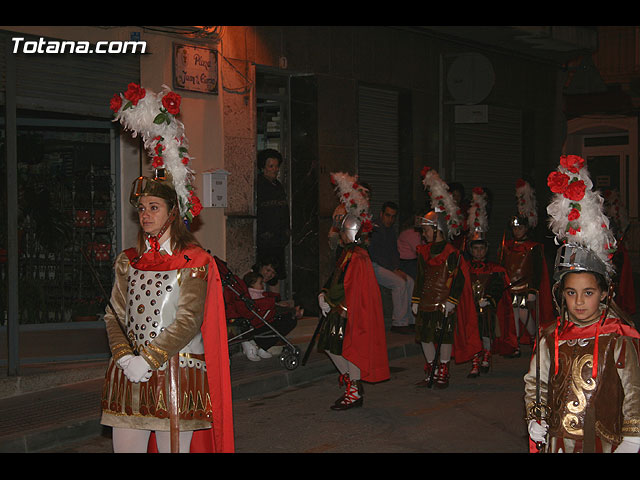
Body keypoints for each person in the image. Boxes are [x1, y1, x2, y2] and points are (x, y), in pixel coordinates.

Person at [102, 84, 233, 453]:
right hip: (128, 373)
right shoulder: (128, 260)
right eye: (141, 208)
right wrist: (126, 357)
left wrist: (149, 359)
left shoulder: (195, 261)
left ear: (172, 212)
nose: (145, 214)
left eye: (154, 207)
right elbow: (114, 314)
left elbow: (189, 319)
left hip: (177, 374)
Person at [524, 154, 640, 453]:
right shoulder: (551, 335)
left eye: (588, 293)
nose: (578, 301)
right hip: (558, 440)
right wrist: (535, 418)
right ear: (560, 294)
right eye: (571, 292)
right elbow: (537, 383)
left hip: (603, 442)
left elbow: (634, 391)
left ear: (604, 293)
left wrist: (633, 435)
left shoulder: (618, 336)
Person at [317, 172, 389, 410]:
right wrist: (324, 293)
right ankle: (353, 386)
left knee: (349, 349)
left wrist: (329, 298)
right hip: (340, 307)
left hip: (348, 310)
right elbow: (337, 277)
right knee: (332, 346)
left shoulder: (358, 256)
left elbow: (348, 286)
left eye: (342, 227)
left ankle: (354, 389)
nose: (338, 229)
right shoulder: (349, 253)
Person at [412, 166, 481, 389]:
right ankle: (431, 367)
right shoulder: (423, 252)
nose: (424, 234)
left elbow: (458, 278)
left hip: (443, 302)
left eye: (427, 230)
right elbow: (421, 277)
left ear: (438, 229)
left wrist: (452, 301)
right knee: (424, 335)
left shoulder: (452, 253)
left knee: (445, 336)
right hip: (426, 300)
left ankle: (443, 369)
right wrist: (415, 300)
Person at [498, 179, 554, 357]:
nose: (517, 231)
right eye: (515, 229)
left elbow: (538, 270)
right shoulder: (507, 246)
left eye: (520, 228)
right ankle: (514, 343)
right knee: (513, 314)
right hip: (510, 287)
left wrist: (533, 289)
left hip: (525, 287)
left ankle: (534, 336)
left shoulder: (533, 246)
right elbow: (502, 266)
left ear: (526, 228)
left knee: (522, 312)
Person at [465, 187, 517, 378]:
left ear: (486, 249)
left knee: (486, 334)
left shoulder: (494, 269)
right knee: (472, 335)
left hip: (487, 308)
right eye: (475, 249)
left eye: (481, 249)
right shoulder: (466, 268)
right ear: (471, 250)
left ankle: (486, 356)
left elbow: (497, 286)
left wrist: (489, 298)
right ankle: (475, 362)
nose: (478, 252)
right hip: (470, 308)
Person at [230, 271, 299, 362]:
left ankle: (262, 346)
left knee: (284, 316)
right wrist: (273, 302)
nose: (263, 285)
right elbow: (259, 304)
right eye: (260, 283)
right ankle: (294, 311)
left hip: (264, 315)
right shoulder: (252, 294)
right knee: (284, 315)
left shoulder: (258, 293)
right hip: (261, 318)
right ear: (252, 284)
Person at [368, 201, 415, 334]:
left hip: (389, 266)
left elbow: (395, 252)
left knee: (410, 282)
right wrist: (393, 269)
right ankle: (399, 323)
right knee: (399, 283)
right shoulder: (375, 228)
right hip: (375, 265)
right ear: (382, 214)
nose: (390, 219)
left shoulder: (391, 231)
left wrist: (396, 268)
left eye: (393, 216)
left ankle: (411, 320)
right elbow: (375, 255)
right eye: (388, 215)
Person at [256, 148, 290, 284]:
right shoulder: (259, 185)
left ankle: (275, 300)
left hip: (279, 238)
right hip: (266, 238)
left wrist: (286, 231)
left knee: (277, 271)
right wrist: (265, 233)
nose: (275, 170)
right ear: (263, 167)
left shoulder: (279, 186)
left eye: (276, 166)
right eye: (271, 166)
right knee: (265, 270)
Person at [397, 210, 425, 280]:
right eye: (418, 219)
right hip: (406, 263)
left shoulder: (416, 232)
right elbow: (419, 250)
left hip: (410, 261)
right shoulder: (411, 232)